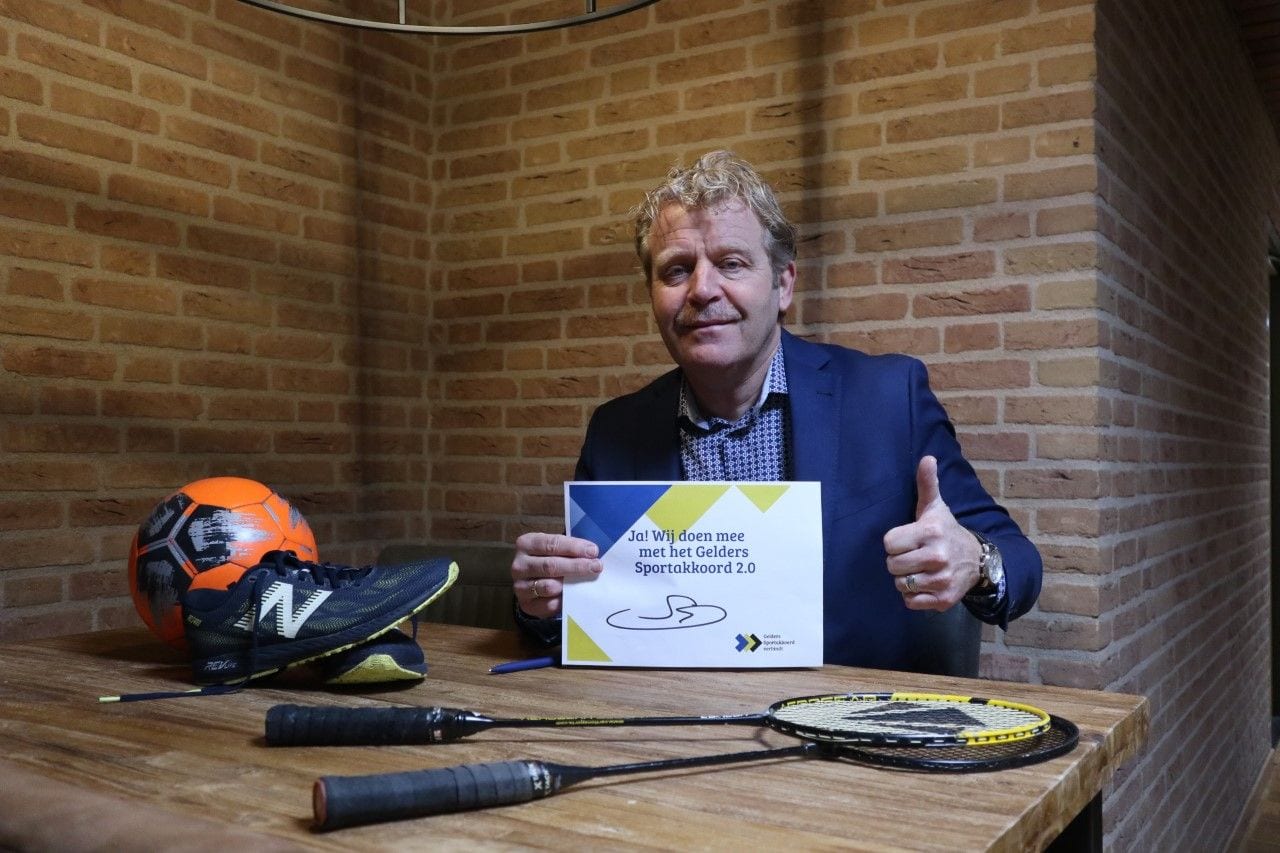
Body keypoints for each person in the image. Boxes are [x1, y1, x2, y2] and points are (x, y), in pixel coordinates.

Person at [509, 150, 1041, 672]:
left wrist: (976, 560)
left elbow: (1020, 564)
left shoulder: (886, 398)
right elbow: (580, 612)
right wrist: (542, 600)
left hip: (841, 715)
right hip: (672, 712)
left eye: (731, 263)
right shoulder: (616, 431)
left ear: (783, 284)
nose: (702, 290)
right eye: (676, 271)